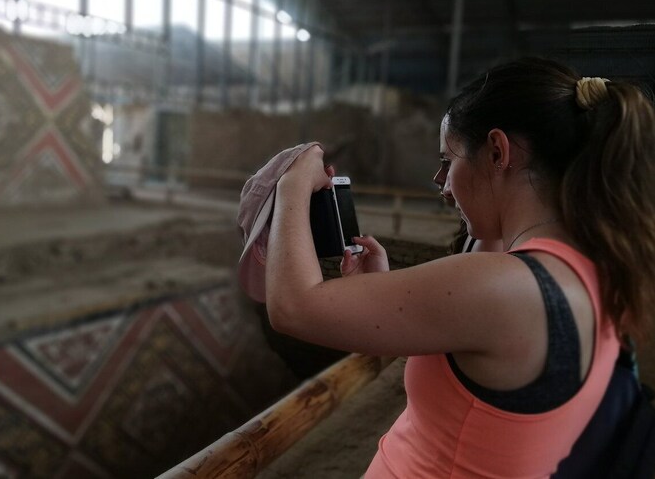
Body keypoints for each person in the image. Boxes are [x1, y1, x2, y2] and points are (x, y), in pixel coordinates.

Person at [263, 57, 655, 478]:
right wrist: (388, 291)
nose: (443, 185)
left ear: (498, 151)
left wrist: (292, 185)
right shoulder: (597, 268)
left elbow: (293, 307)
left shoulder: (505, 285)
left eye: (449, 161)